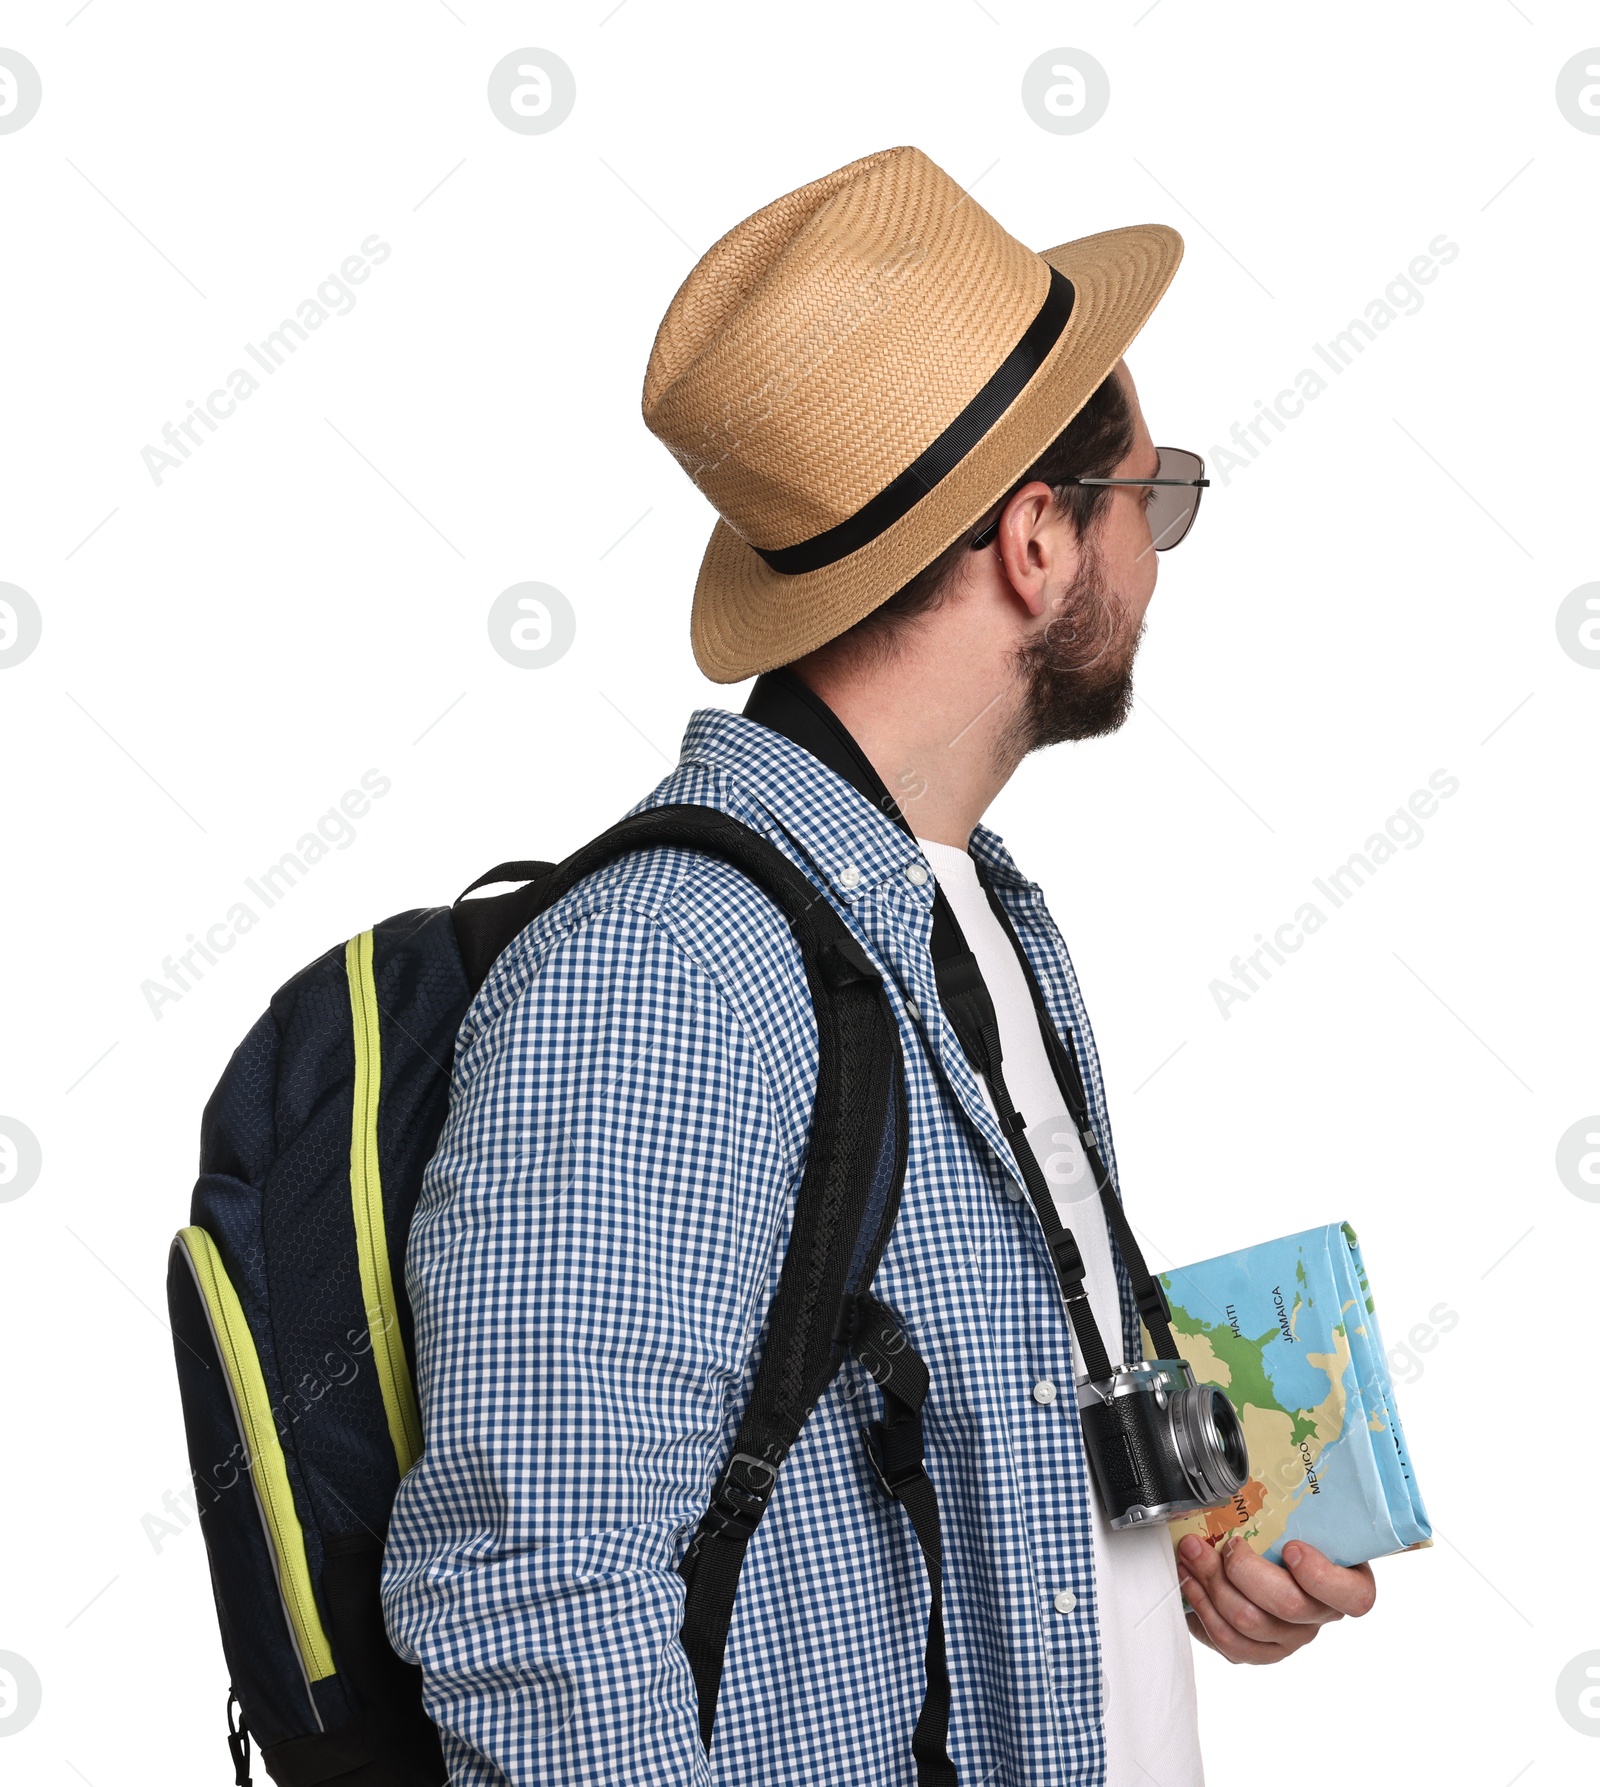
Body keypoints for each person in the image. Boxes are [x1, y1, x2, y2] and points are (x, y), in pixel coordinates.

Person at [382, 145, 1377, 1786]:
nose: (1158, 550)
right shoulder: (662, 978)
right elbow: (533, 1597)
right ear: (1039, 544)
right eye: (1154, 498)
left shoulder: (980, 912)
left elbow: (975, 1408)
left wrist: (1182, 1536)